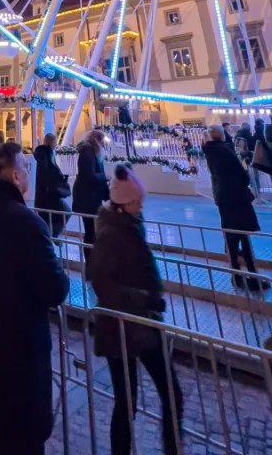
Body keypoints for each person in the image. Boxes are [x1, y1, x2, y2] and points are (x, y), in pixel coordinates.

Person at [0, 142, 69, 454]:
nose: (27, 173)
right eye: (24, 167)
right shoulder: (27, 222)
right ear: (15, 177)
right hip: (19, 366)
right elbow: (55, 287)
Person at [91, 163, 183, 455]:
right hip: (126, 326)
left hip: (137, 324)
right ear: (124, 203)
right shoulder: (112, 234)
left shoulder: (127, 225)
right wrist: (145, 300)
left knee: (135, 397)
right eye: (136, 201)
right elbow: (101, 281)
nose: (141, 206)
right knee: (134, 397)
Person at [203, 126, 268, 291]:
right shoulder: (225, 151)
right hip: (237, 198)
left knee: (231, 238)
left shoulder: (210, 151)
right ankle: (253, 277)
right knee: (243, 237)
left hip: (224, 199)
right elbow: (242, 176)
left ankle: (236, 275)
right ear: (223, 135)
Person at [73, 129, 109, 274]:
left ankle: (93, 261)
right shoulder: (88, 154)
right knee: (91, 231)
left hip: (89, 198)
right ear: (96, 140)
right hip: (88, 199)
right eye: (101, 141)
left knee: (92, 230)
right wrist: (104, 177)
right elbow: (89, 175)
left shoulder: (89, 153)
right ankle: (91, 263)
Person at [33, 132, 70, 239]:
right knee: (65, 212)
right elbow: (47, 175)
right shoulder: (46, 156)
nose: (55, 144)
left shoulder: (46, 155)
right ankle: (52, 235)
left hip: (48, 194)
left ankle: (50, 235)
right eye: (54, 141)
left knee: (52, 216)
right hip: (48, 194)